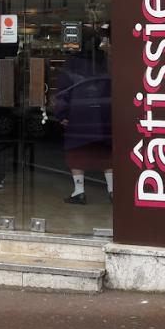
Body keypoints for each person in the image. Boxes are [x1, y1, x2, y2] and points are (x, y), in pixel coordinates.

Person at [53, 32, 113, 204]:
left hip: (79, 114)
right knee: (105, 152)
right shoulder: (106, 62)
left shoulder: (71, 65)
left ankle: (79, 191)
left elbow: (64, 92)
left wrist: (61, 114)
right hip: (104, 114)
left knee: (76, 152)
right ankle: (112, 189)